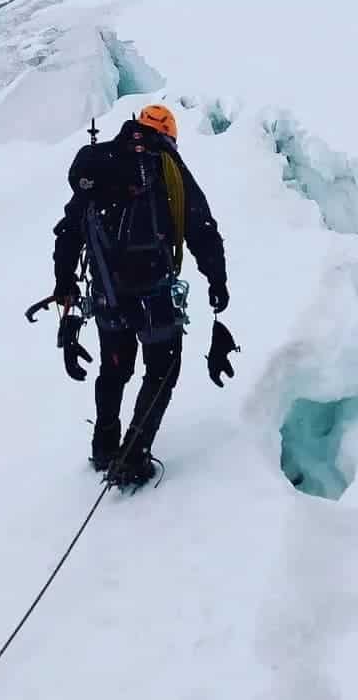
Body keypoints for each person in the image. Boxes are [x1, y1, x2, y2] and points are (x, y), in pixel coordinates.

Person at [51, 104, 229, 488]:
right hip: (154, 295)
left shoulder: (100, 167)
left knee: (114, 370)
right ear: (168, 134)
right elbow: (201, 227)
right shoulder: (167, 169)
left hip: (107, 296)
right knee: (162, 371)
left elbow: (69, 232)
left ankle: (104, 444)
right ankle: (133, 456)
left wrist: (64, 284)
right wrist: (217, 279)